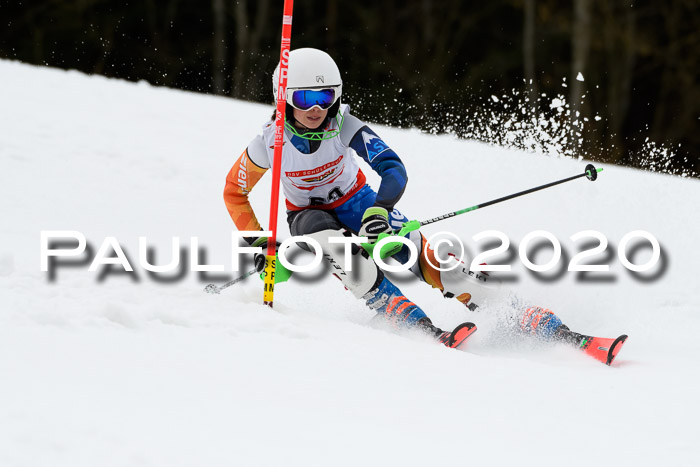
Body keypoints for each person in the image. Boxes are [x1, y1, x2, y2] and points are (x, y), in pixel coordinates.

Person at [223, 48, 622, 359]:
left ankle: (528, 317)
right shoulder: (268, 142)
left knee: (421, 256)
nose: (316, 108)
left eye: (326, 95)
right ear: (284, 96)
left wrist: (379, 211)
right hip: (308, 217)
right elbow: (235, 191)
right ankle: (411, 320)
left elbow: (393, 168)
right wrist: (260, 243)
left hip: (359, 200)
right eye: (306, 96)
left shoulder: (343, 124)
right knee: (349, 260)